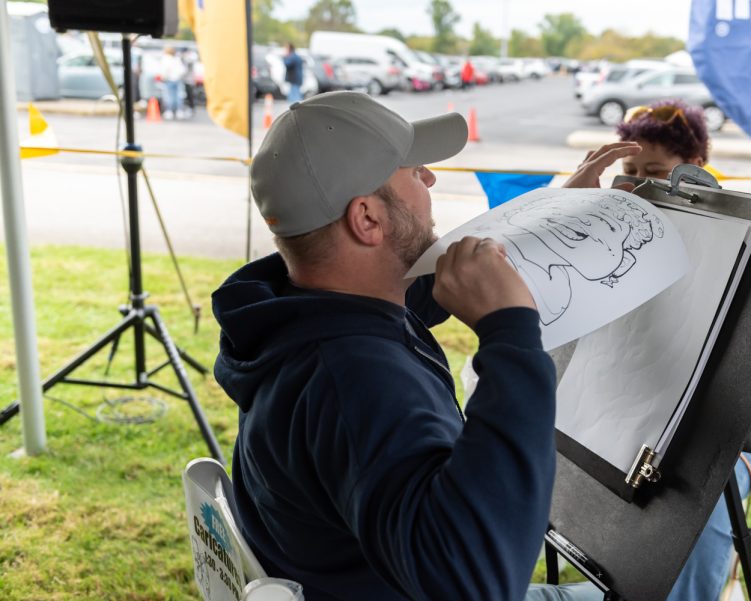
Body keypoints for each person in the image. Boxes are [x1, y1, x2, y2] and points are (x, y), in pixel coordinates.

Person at [212, 91, 637, 601]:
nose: (430, 178)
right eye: (412, 171)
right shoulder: (360, 383)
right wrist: (511, 336)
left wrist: (557, 215)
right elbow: (476, 583)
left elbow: (429, 285)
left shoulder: (299, 315)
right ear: (367, 219)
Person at [612, 99, 751, 601]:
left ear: (694, 170)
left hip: (725, 409)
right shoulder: (615, 232)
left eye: (655, 171)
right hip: (641, 398)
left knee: (698, 509)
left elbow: (745, 368)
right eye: (630, 171)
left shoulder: (730, 236)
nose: (640, 183)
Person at [159, 46, 186, 120]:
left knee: (169, 96)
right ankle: (179, 111)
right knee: (178, 96)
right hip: (177, 79)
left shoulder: (165, 58)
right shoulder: (177, 59)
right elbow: (182, 70)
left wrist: (164, 77)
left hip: (169, 79)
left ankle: (169, 111)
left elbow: (164, 69)